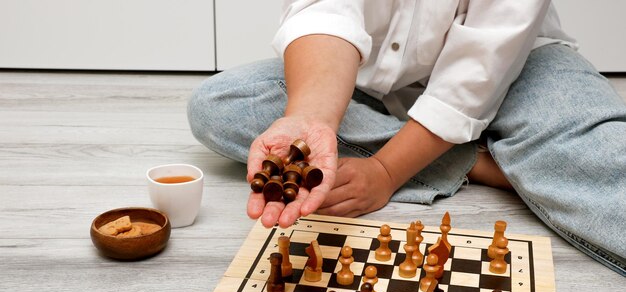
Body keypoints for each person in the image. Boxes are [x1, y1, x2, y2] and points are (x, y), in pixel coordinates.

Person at [187, 0, 626, 276]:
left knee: (602, 159)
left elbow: (484, 62)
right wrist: (311, 115)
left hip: (522, 61)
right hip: (357, 72)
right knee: (222, 101)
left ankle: (435, 154)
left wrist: (387, 170)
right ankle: (479, 162)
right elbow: (323, 10)